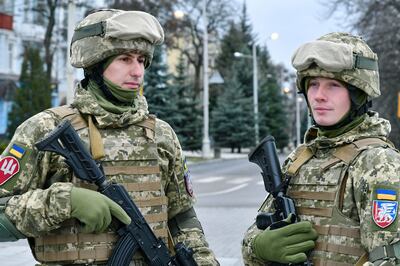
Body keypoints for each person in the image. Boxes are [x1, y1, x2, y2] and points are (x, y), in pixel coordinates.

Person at [0, 9, 218, 265]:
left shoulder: (161, 134)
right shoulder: (45, 128)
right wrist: (63, 201)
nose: (137, 71)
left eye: (141, 60)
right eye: (125, 59)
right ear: (95, 64)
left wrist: (202, 260)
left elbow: (182, 216)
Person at [241, 32, 400, 265]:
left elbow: (390, 259)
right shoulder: (300, 158)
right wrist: (259, 246)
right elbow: (255, 233)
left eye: (333, 86)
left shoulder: (377, 163)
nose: (319, 96)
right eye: (313, 85)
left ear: (358, 93)